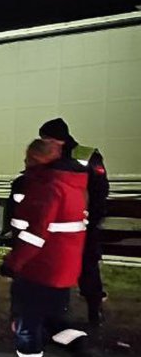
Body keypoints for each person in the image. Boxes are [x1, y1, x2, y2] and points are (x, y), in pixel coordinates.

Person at [0, 139, 116, 357]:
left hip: (39, 269)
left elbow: (35, 235)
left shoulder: (47, 186)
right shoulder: (72, 184)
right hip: (63, 270)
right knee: (55, 322)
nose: (25, 162)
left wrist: (12, 264)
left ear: (38, 160)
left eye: (28, 158)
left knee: (25, 324)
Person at [38, 118, 110, 326]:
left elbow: (99, 191)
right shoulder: (81, 156)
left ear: (55, 139)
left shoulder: (77, 156)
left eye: (45, 139)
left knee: (76, 267)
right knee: (82, 268)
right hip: (77, 223)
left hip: (73, 224)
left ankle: (87, 312)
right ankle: (84, 312)